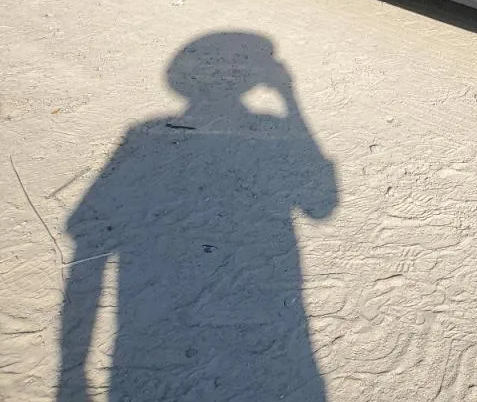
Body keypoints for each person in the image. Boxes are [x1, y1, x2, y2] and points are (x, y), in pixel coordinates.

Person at [57, 33, 337, 402]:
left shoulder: (141, 135)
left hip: (147, 338)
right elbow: (321, 204)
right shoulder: (265, 126)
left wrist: (71, 370)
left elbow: (87, 249)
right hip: (259, 331)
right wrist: (289, 97)